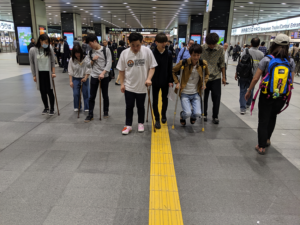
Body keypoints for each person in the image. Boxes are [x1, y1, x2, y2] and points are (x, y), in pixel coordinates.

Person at [245, 34, 295, 155]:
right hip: (282, 95)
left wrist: (249, 90)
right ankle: (267, 139)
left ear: (273, 45)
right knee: (272, 117)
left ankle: (261, 146)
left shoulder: (267, 59)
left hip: (267, 94)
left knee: (263, 119)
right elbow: (291, 81)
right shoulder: (290, 61)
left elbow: (256, 78)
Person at [116, 32, 157, 135]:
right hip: (129, 85)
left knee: (140, 106)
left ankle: (140, 123)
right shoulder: (124, 53)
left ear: (142, 42)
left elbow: (152, 67)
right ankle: (128, 125)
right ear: (129, 43)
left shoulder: (147, 51)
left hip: (142, 85)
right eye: (132, 45)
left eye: (137, 45)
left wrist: (149, 78)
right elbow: (121, 70)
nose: (135, 48)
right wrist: (122, 84)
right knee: (129, 106)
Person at [172, 44, 209, 126]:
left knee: (198, 114)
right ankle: (182, 115)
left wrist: (204, 83)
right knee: (187, 113)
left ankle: (193, 116)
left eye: (198, 55)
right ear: (190, 54)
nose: (196, 57)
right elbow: (173, 71)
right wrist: (177, 82)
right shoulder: (183, 63)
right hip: (185, 92)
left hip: (196, 93)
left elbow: (206, 74)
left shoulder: (203, 63)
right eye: (194, 55)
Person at [84, 34, 112, 122]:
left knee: (105, 95)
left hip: (104, 76)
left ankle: (105, 111)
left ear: (95, 41)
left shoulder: (106, 50)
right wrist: (93, 60)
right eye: (88, 44)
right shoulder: (90, 52)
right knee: (92, 96)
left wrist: (103, 73)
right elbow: (87, 65)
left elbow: (109, 63)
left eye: (90, 43)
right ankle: (90, 114)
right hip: (94, 76)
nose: (90, 45)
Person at [201, 33, 226, 124]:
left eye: (213, 44)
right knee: (204, 97)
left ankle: (215, 116)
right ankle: (204, 114)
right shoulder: (202, 48)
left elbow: (222, 64)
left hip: (216, 77)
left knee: (216, 98)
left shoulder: (220, 49)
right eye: (209, 44)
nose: (211, 46)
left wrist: (224, 77)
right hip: (204, 77)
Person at [29, 34, 56, 116]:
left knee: (50, 91)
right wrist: (34, 75)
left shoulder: (49, 48)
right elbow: (32, 63)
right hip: (39, 73)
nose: (47, 44)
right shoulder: (33, 50)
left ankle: (52, 108)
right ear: (40, 41)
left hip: (48, 73)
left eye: (48, 42)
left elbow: (52, 61)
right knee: (42, 91)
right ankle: (46, 107)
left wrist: (53, 72)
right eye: (45, 42)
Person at [235, 38, 264, 115]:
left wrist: (236, 73)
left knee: (242, 90)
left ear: (250, 44)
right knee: (251, 89)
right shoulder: (261, 54)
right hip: (254, 76)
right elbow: (262, 67)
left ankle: (242, 108)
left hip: (244, 74)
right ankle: (248, 104)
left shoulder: (245, 51)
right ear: (258, 45)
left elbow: (240, 63)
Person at [151, 33, 173, 129]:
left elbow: (170, 68)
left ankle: (163, 114)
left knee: (165, 100)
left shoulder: (168, 53)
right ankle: (157, 118)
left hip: (165, 81)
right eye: (161, 42)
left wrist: (170, 80)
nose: (164, 44)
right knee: (155, 101)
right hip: (154, 81)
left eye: (165, 42)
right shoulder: (151, 53)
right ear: (156, 42)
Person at [68, 45, 90, 112]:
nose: (77, 54)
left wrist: (85, 78)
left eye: (78, 53)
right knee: (76, 93)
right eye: (75, 53)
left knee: (86, 93)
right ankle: (77, 106)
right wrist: (70, 81)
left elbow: (88, 69)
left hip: (84, 78)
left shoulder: (86, 59)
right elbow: (70, 71)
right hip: (75, 78)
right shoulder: (72, 60)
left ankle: (87, 106)